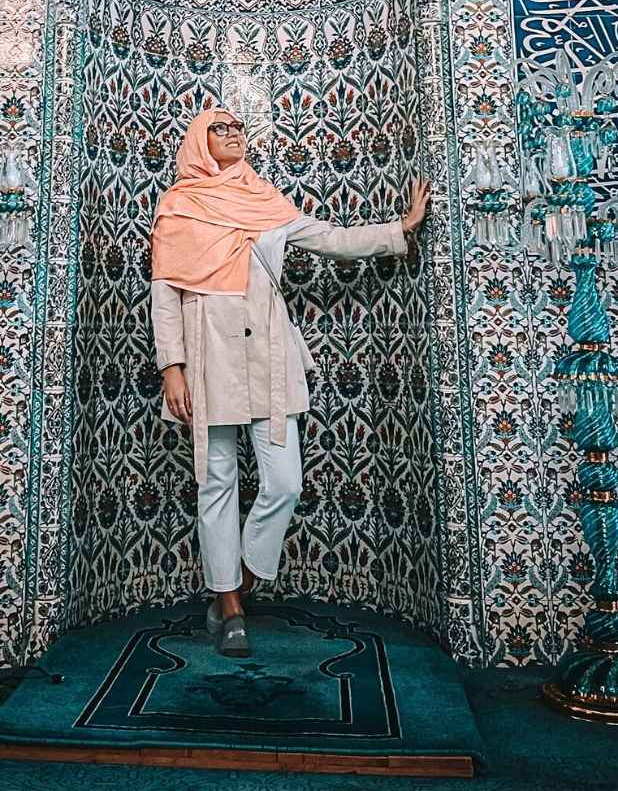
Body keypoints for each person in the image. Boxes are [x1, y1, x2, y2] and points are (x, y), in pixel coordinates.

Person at [150, 106, 431, 658]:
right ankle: (229, 607)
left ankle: (246, 575)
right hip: (207, 358)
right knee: (216, 483)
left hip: (268, 356)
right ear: (199, 142)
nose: (233, 135)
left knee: (285, 483)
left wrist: (398, 229)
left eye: (237, 128)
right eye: (220, 129)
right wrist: (171, 369)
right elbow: (166, 294)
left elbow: (330, 238)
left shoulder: (264, 200)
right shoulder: (180, 206)